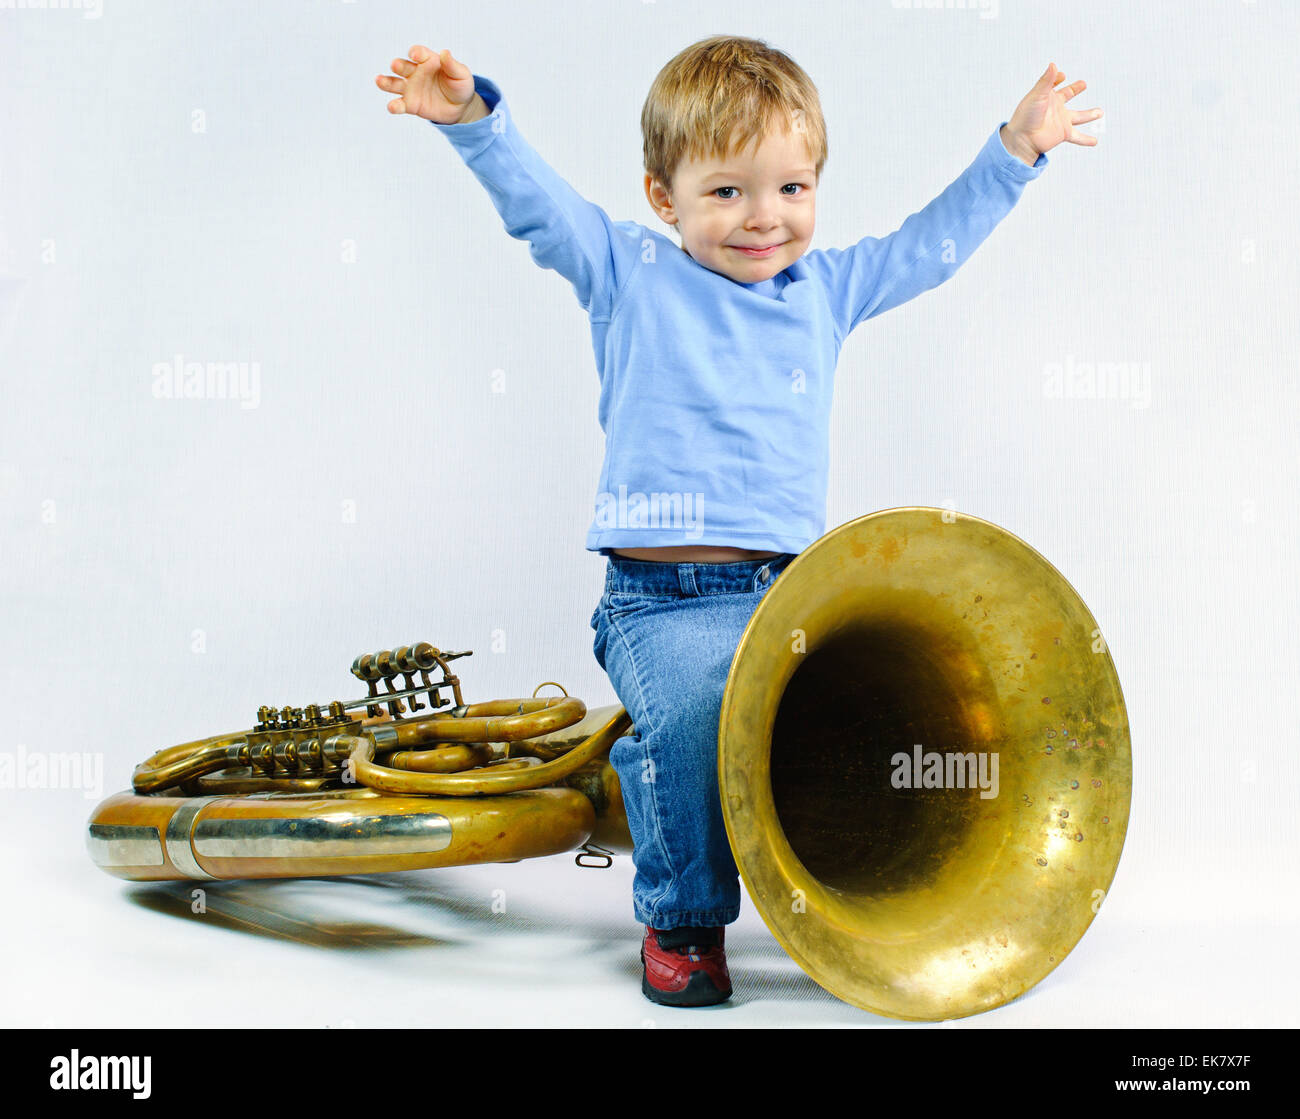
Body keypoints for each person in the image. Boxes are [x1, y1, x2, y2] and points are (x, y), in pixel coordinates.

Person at [375, 34, 1100, 1007]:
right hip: (658, 604)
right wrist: (471, 120)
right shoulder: (627, 272)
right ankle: (681, 920)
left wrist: (1016, 149)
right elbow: (538, 210)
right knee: (688, 725)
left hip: (783, 602)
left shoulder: (825, 293)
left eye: (792, 189)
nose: (765, 219)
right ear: (661, 198)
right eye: (726, 193)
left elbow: (933, 245)